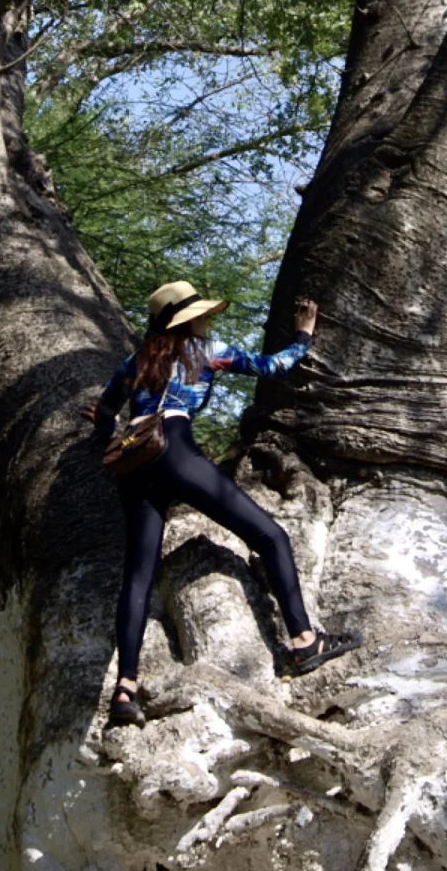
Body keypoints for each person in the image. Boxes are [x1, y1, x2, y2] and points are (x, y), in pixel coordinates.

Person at [91, 279, 360, 726]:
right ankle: (304, 640)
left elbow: (104, 413)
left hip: (133, 462)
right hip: (174, 446)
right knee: (270, 535)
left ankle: (125, 690)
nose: (206, 320)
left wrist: (104, 432)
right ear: (186, 321)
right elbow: (272, 366)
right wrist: (303, 335)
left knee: (138, 577)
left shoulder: (136, 361)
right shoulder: (206, 351)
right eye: (200, 314)